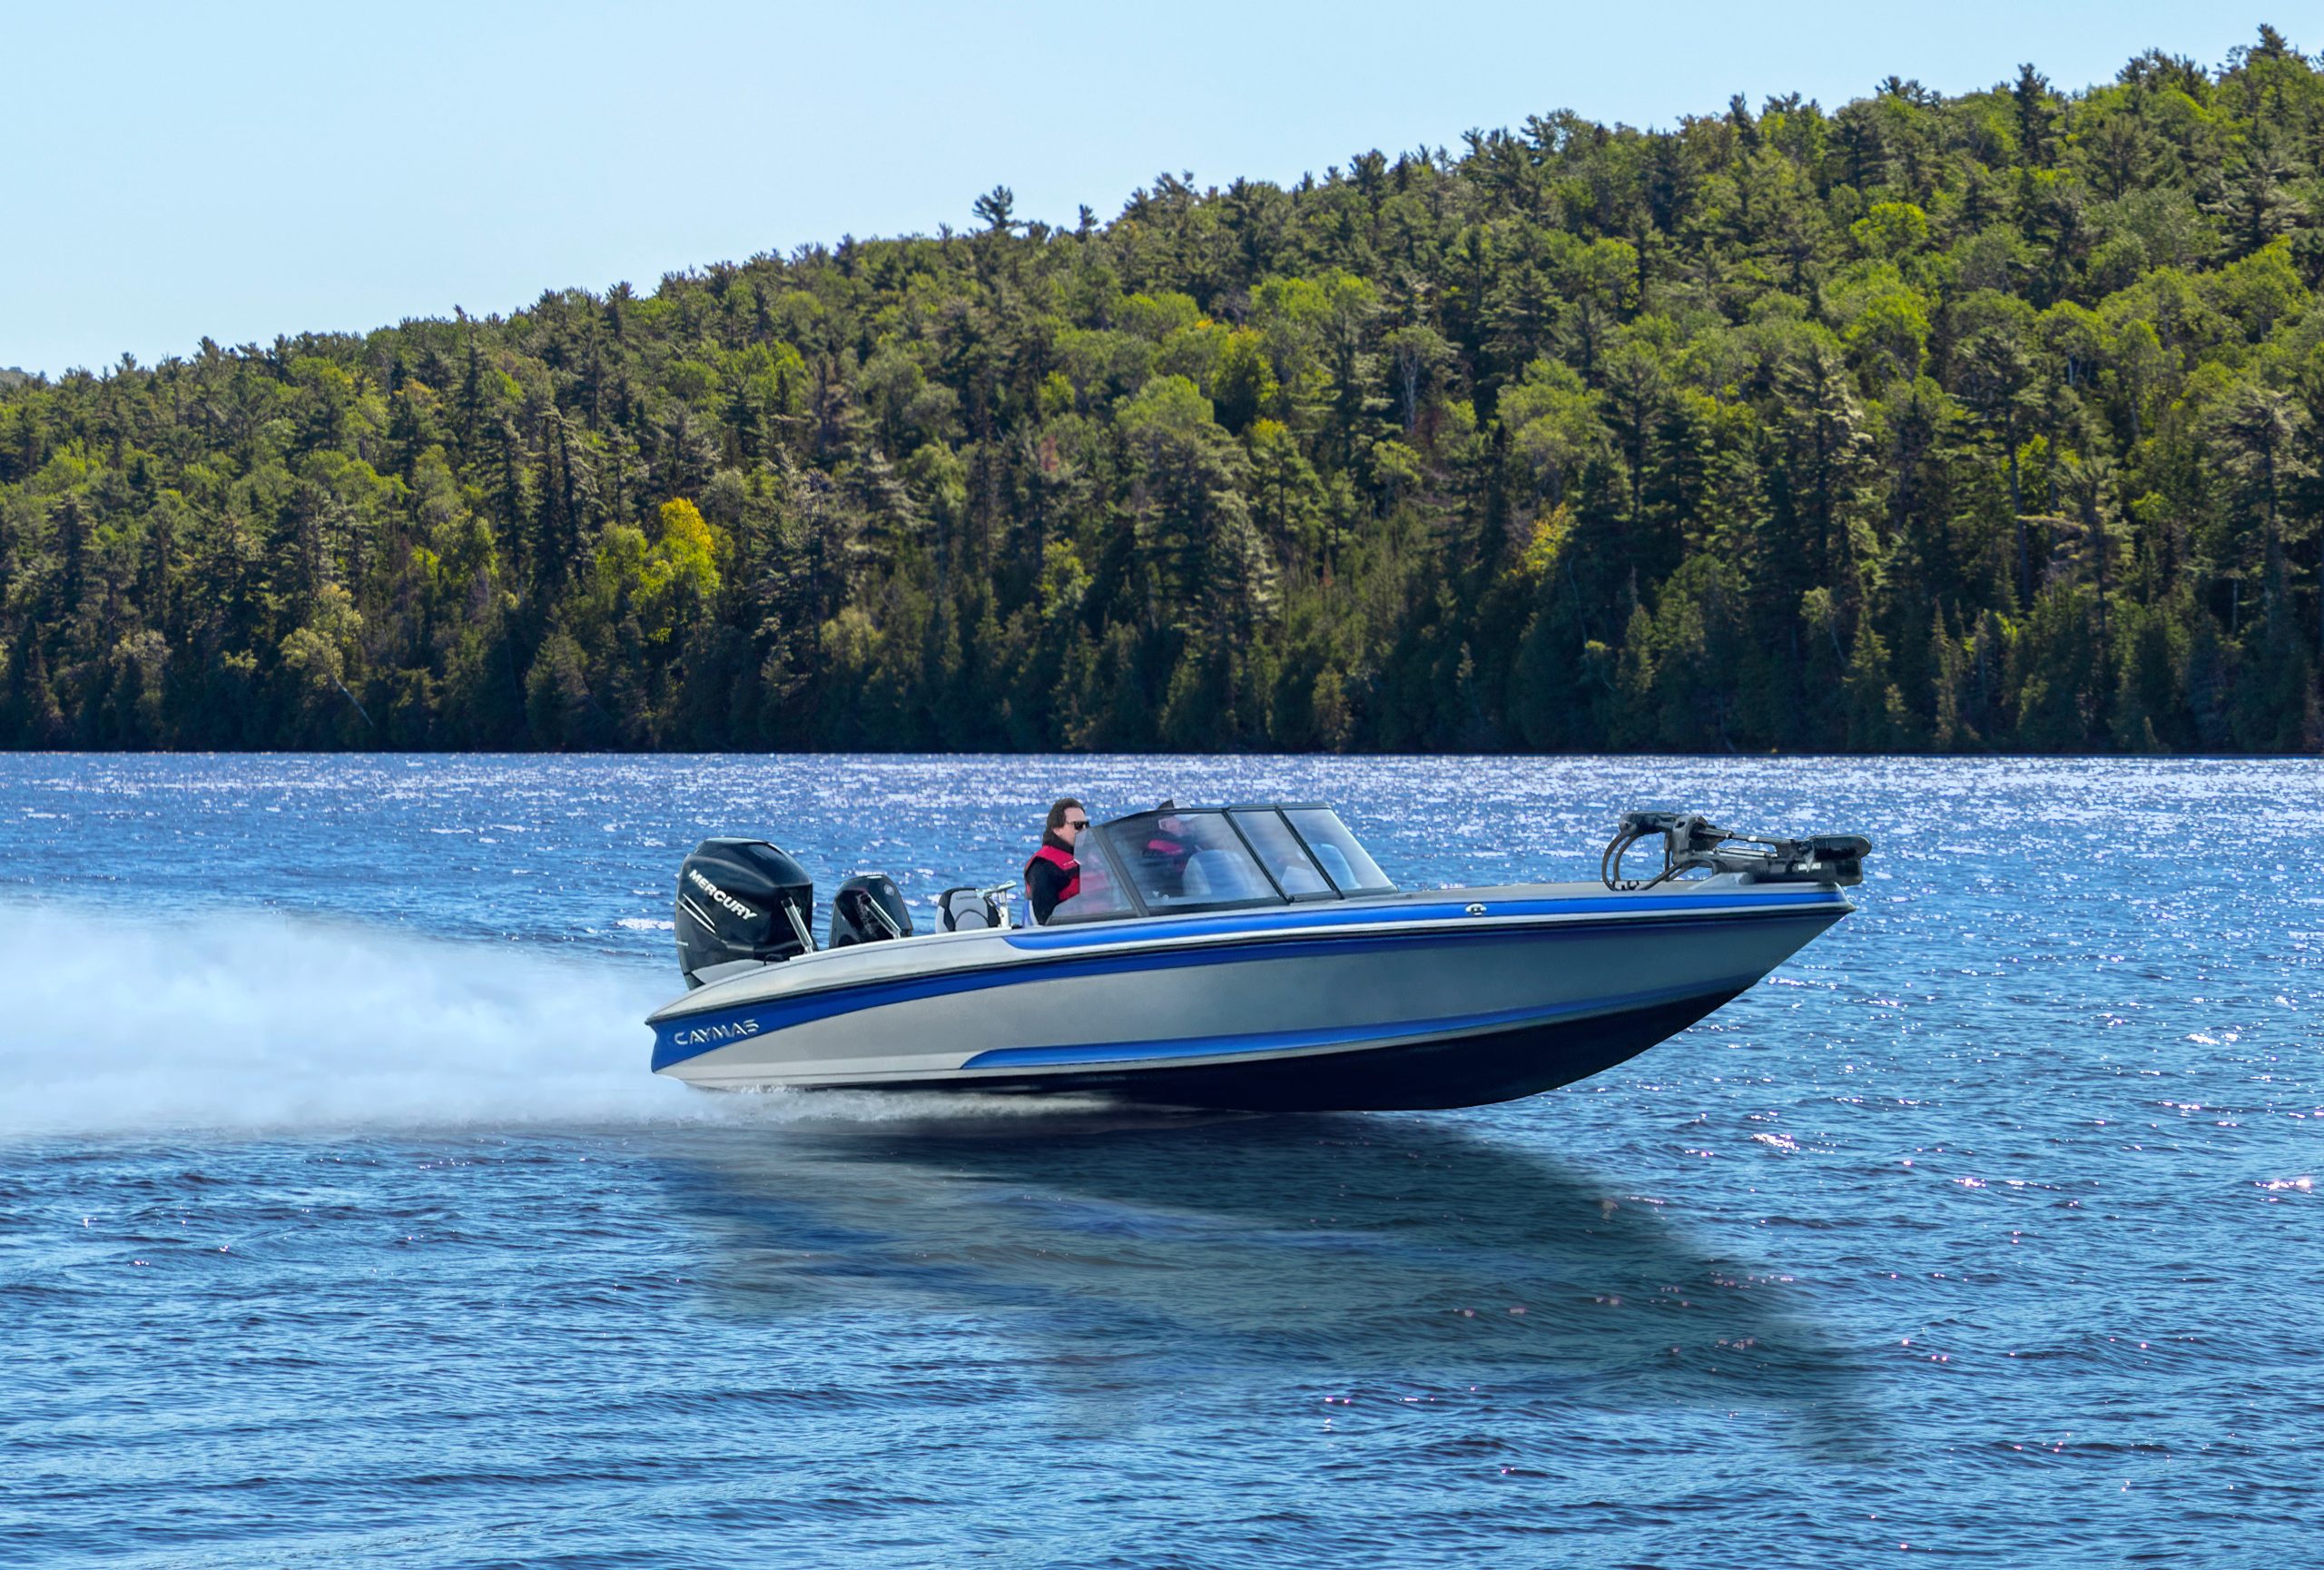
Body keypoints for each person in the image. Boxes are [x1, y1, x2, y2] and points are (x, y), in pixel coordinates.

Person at [1024, 797, 1090, 924]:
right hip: (1073, 933)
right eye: (1078, 825)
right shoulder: (1042, 867)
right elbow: (1045, 919)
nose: (1084, 830)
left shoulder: (1095, 857)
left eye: (1086, 825)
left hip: (1106, 923)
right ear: (1057, 829)